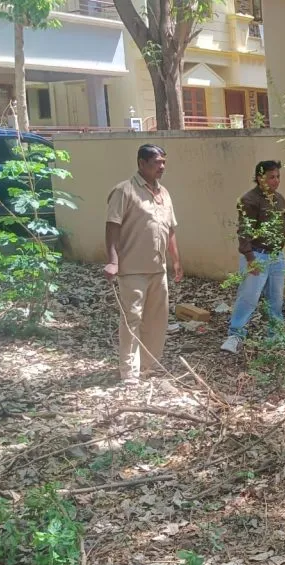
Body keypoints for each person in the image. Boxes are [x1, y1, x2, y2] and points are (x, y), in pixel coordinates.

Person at [104, 144, 183, 385]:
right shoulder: (124, 191)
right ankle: (129, 372)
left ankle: (150, 365)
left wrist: (176, 260)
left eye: (163, 162)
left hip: (158, 270)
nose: (162, 167)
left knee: (157, 319)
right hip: (132, 269)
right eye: (157, 162)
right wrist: (113, 262)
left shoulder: (164, 193)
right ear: (141, 163)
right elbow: (111, 227)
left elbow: (170, 230)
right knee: (132, 320)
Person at [221, 160, 285, 354]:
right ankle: (235, 334)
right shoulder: (249, 200)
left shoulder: (278, 198)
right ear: (260, 178)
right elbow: (244, 230)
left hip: (277, 255)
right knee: (249, 297)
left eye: (278, 176)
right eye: (271, 177)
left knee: (275, 297)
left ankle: (275, 335)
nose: (276, 181)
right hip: (257, 255)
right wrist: (250, 259)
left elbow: (284, 217)